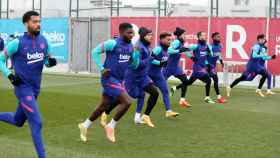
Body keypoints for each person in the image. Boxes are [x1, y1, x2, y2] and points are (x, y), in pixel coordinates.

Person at [0, 11, 57, 158]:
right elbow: (0, 60)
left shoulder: (44, 41)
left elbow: (45, 60)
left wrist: (50, 62)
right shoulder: (17, 43)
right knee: (37, 122)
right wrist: (10, 75)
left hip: (35, 89)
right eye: (34, 22)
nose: (38, 24)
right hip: (23, 89)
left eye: (39, 21)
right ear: (26, 23)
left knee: (17, 120)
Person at [78, 23, 134, 143]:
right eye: (129, 32)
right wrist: (102, 68)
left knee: (103, 106)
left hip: (119, 80)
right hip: (109, 79)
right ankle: (111, 126)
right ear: (121, 32)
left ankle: (85, 125)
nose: (132, 35)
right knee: (127, 101)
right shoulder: (112, 43)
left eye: (132, 32)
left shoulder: (131, 47)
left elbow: (131, 63)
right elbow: (94, 52)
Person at [125, 27, 159, 127]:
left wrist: (158, 61)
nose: (151, 37)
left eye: (151, 35)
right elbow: (137, 65)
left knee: (154, 93)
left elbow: (148, 60)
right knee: (130, 97)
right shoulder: (138, 47)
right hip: (133, 77)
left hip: (143, 76)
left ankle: (141, 117)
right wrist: (150, 59)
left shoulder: (147, 46)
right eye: (149, 35)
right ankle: (106, 111)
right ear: (143, 36)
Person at [149, 32, 179, 117]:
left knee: (165, 91)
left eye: (171, 40)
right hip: (147, 74)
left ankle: (168, 111)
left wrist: (164, 63)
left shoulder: (168, 50)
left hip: (158, 74)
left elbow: (163, 61)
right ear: (161, 40)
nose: (170, 41)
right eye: (168, 40)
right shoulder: (158, 49)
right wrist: (160, 63)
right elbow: (150, 59)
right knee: (139, 93)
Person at [164, 27, 193, 107]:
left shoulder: (181, 43)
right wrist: (179, 50)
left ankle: (182, 100)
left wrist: (192, 57)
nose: (185, 36)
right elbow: (169, 50)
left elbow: (184, 51)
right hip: (168, 68)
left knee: (186, 81)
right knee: (157, 84)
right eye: (184, 34)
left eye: (185, 34)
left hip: (176, 68)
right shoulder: (176, 42)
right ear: (179, 35)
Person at [184, 31, 215, 104]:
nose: (205, 36)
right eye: (203, 35)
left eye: (205, 35)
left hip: (203, 67)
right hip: (197, 68)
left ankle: (175, 88)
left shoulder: (206, 46)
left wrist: (209, 52)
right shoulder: (196, 46)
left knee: (189, 82)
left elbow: (210, 55)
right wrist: (191, 57)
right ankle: (207, 98)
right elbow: (184, 50)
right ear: (199, 37)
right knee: (209, 80)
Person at [208, 32, 227, 103]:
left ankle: (218, 97)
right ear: (213, 38)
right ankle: (176, 88)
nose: (219, 38)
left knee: (215, 80)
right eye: (217, 37)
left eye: (219, 36)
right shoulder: (210, 46)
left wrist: (221, 62)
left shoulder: (220, 45)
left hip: (212, 66)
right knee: (190, 81)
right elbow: (206, 56)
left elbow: (219, 55)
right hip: (207, 66)